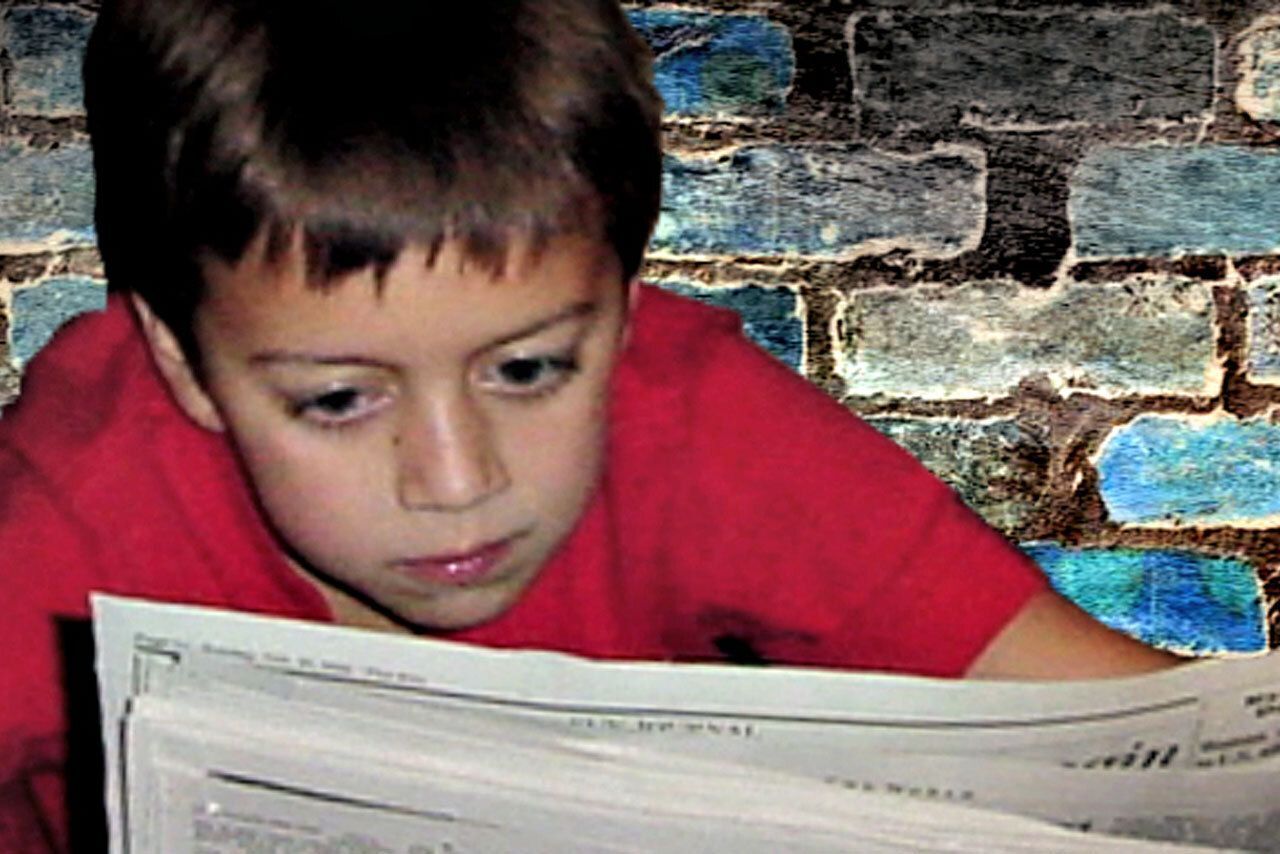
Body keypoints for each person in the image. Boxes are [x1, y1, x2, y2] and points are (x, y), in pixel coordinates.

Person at [0, 0, 1180, 849]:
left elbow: (1142, 738)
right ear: (184, 363)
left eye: (527, 368)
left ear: (623, 314)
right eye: (338, 398)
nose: (456, 480)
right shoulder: (67, 517)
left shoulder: (691, 421)